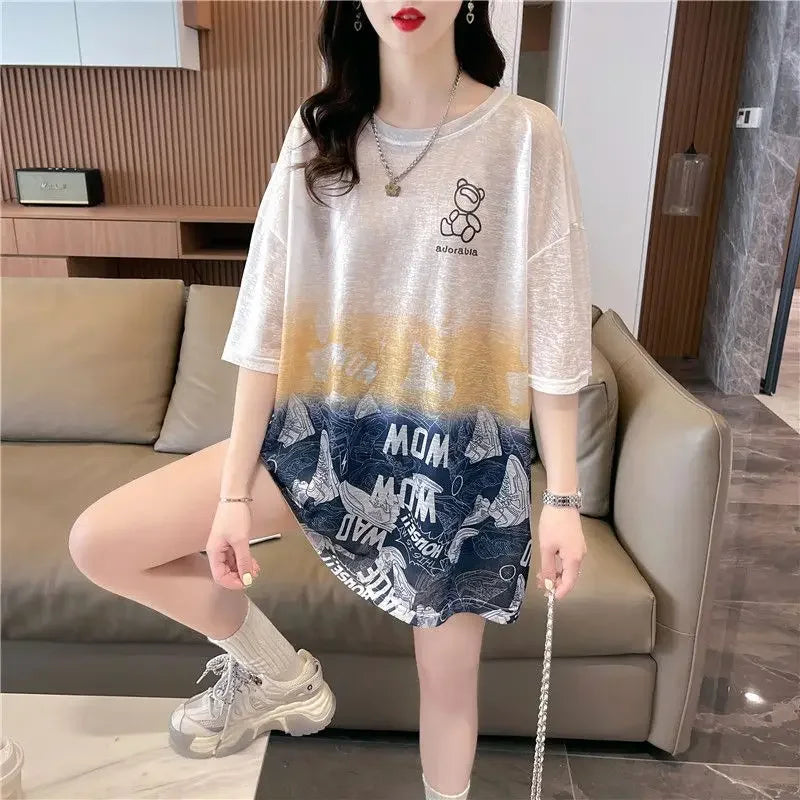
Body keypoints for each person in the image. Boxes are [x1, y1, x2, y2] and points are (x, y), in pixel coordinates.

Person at [68, 1, 592, 798]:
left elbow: (555, 338)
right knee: (100, 543)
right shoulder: (319, 133)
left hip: (454, 467)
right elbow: (266, 328)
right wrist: (233, 495)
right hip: (322, 441)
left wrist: (562, 499)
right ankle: (275, 675)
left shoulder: (526, 136)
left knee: (448, 681)